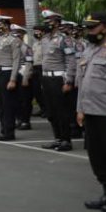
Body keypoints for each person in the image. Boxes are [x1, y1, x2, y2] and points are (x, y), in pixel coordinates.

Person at [75, 12, 106, 212]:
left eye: (93, 27)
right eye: (88, 27)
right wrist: (80, 109)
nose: (89, 31)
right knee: (97, 156)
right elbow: (83, 83)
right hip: (90, 111)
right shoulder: (89, 50)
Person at [40, 13, 78, 151]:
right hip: (46, 78)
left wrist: (68, 81)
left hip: (58, 79)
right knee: (51, 112)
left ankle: (66, 140)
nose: (46, 23)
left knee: (62, 111)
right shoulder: (45, 39)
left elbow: (71, 60)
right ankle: (57, 138)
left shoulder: (64, 39)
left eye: (49, 21)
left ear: (56, 22)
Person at [0, 16, 22, 141]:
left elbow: (16, 60)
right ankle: (3, 130)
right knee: (0, 105)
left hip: (7, 73)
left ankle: (9, 132)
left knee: (8, 105)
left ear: (6, 25)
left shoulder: (14, 40)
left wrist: (13, 79)